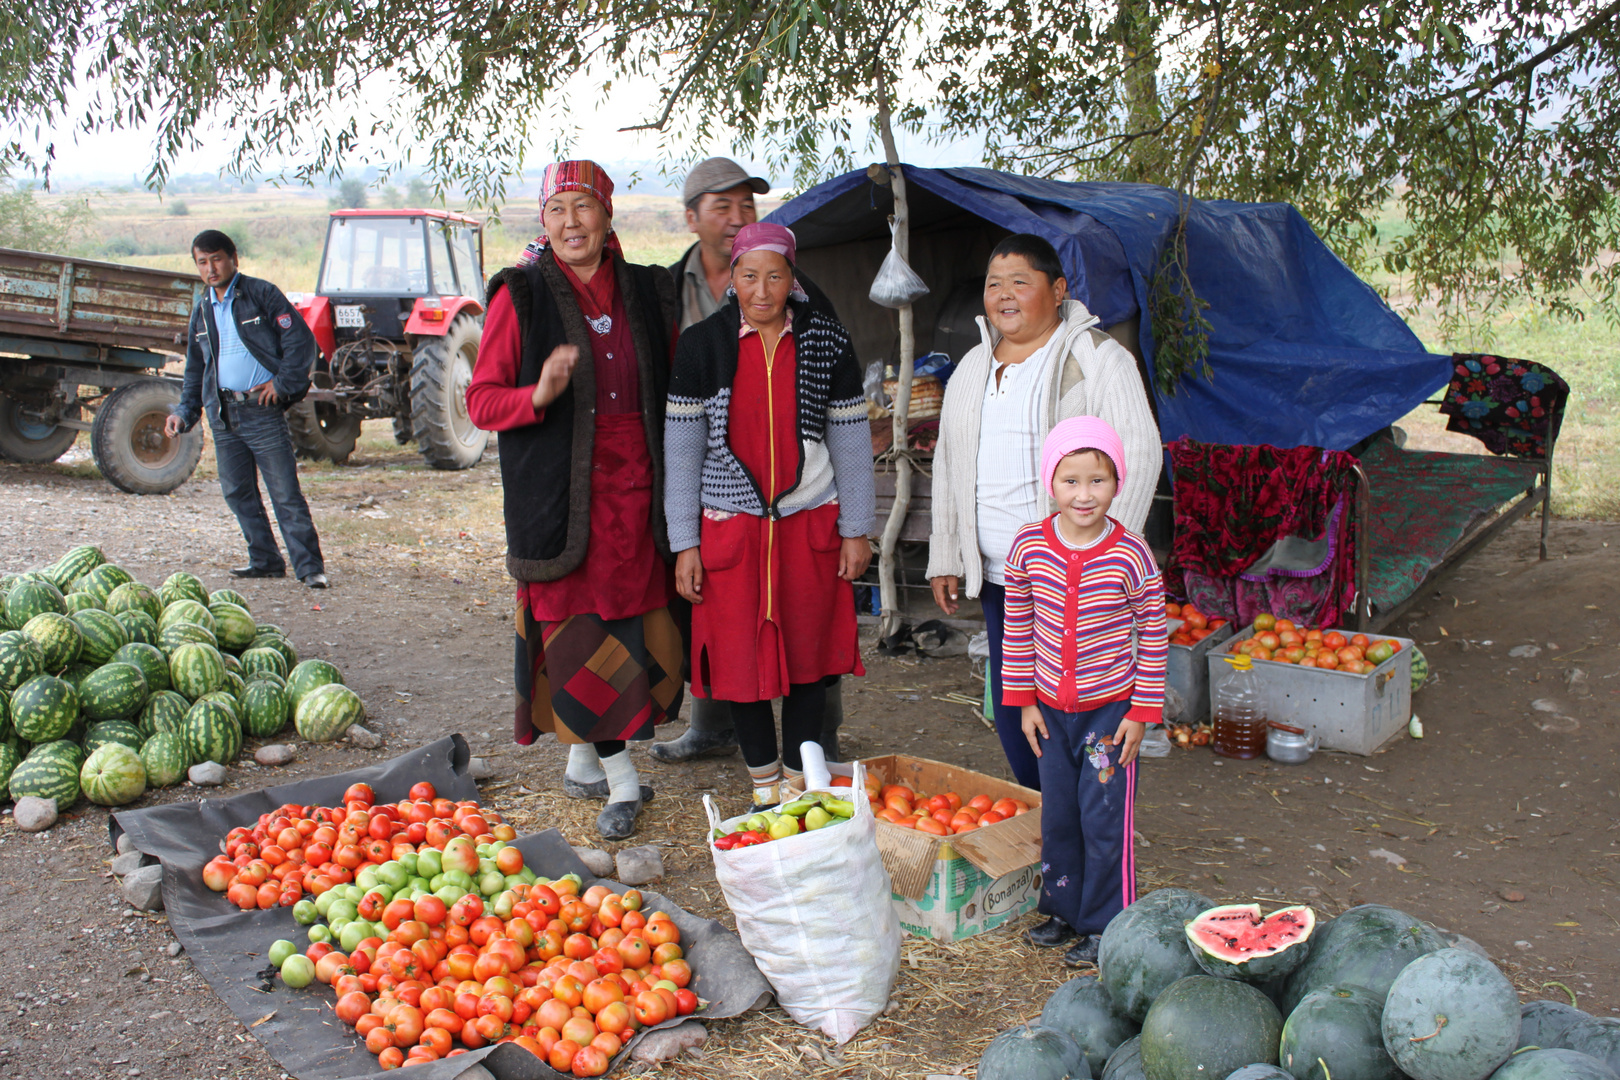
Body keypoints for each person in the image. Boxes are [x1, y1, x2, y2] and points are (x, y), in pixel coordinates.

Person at [466, 160, 681, 841]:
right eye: (557, 209)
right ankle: (620, 785)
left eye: (583, 207)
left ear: (608, 214)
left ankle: (583, 761)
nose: (570, 223)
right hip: (562, 497)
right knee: (581, 630)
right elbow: (480, 400)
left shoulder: (646, 292)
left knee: (632, 626)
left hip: (639, 489)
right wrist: (536, 395)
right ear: (542, 220)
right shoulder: (521, 296)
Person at [927, 233, 1160, 790]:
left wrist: (1099, 554)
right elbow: (948, 460)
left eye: (1020, 282)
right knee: (1016, 709)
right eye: (993, 285)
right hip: (1005, 579)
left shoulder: (1097, 359)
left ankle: (1083, 827)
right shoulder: (973, 367)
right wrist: (945, 552)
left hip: (1075, 580)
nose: (1004, 295)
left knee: (1078, 712)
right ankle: (1044, 822)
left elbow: (1142, 452)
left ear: (1057, 290)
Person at [664, 222, 875, 804]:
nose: (762, 289)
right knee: (739, 664)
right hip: (730, 532)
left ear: (792, 280)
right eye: (749, 275)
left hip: (810, 526)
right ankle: (762, 789)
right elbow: (681, 453)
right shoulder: (701, 345)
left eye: (775, 275)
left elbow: (851, 441)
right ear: (732, 277)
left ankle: (798, 784)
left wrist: (856, 529)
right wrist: (685, 542)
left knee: (809, 662)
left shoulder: (826, 341)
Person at [999, 416, 1167, 965]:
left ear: (1117, 483)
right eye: (1070, 480)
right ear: (1050, 482)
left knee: (1103, 818)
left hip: (1108, 719)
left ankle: (1105, 923)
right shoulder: (1028, 548)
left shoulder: (1132, 555)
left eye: (1098, 480)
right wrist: (1022, 700)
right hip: (1049, 713)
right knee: (1060, 816)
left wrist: (1141, 712)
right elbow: (1017, 626)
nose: (1084, 494)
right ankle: (1062, 909)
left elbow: (1155, 634)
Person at [166, 229, 327, 588]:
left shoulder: (261, 294)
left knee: (284, 491)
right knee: (238, 491)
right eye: (203, 262)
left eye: (217, 259)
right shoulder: (203, 309)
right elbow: (196, 369)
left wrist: (283, 384)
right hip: (223, 414)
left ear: (233, 258)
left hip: (261, 411)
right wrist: (184, 411)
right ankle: (266, 560)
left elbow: (301, 340)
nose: (211, 268)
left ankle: (310, 568)